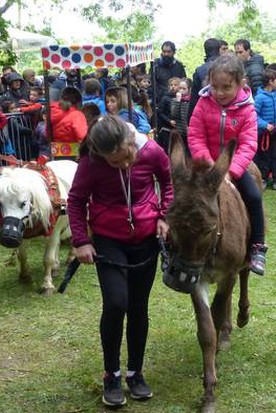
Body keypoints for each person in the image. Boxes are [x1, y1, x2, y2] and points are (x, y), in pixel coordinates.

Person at [67, 115, 172, 407]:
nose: (124, 165)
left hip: (146, 240)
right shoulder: (91, 163)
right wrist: (81, 240)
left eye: (127, 158)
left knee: (138, 306)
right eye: (115, 163)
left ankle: (135, 373)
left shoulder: (151, 151)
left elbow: (167, 181)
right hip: (109, 240)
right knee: (116, 303)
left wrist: (164, 215)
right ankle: (111, 374)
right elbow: (76, 200)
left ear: (130, 142)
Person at [187, 54, 268, 275]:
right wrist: (210, 165)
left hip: (234, 169)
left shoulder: (247, 109)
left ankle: (258, 246)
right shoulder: (203, 104)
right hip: (206, 167)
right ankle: (176, 245)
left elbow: (248, 143)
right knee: (184, 199)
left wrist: (230, 171)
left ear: (240, 84)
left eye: (226, 87)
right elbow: (195, 136)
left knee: (253, 197)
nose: (220, 92)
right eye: (215, 86)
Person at [254, 69, 276, 190]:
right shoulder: (259, 98)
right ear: (270, 82)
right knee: (264, 157)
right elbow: (254, 115)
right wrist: (265, 125)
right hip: (264, 134)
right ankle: (263, 178)